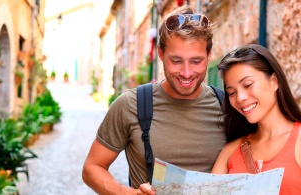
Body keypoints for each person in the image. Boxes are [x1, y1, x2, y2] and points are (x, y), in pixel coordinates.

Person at [82, 5, 226, 194]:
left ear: (209, 55)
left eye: (196, 61)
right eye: (176, 61)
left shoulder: (226, 105)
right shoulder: (130, 105)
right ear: (160, 54)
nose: (187, 72)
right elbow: (92, 168)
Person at [211, 44, 301, 194]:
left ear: (274, 81)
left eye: (247, 85)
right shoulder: (229, 152)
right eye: (232, 92)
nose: (240, 98)